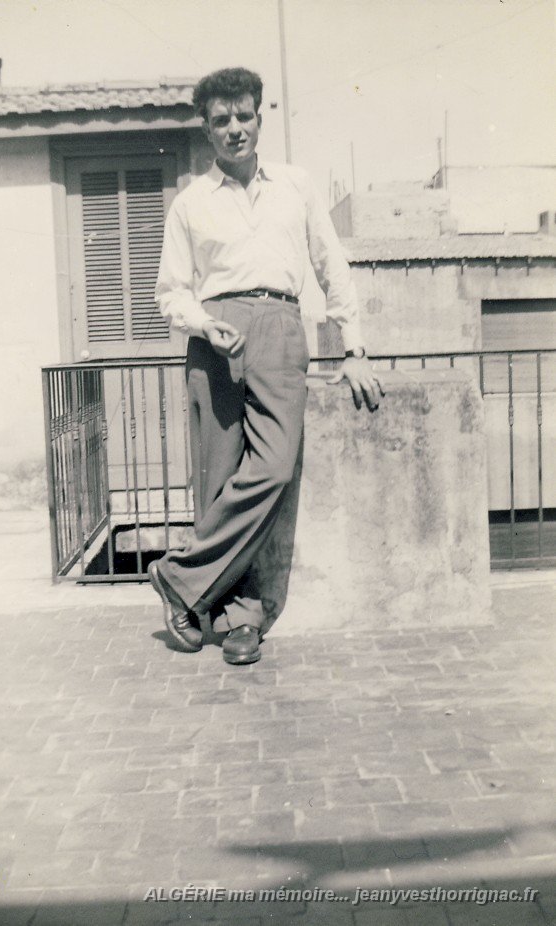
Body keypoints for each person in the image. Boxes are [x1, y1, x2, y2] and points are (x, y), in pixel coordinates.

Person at [149, 67, 383, 665]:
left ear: (260, 117)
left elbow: (332, 265)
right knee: (218, 478)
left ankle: (179, 577)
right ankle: (239, 620)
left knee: (273, 469)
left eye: (244, 117)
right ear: (206, 128)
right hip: (215, 336)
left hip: (281, 327)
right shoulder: (189, 203)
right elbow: (170, 291)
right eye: (221, 120)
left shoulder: (296, 186)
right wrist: (203, 322)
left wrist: (353, 348)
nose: (234, 129)